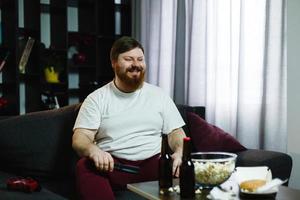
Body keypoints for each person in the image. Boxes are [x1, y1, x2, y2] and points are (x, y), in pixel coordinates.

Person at [72, 36, 186, 200]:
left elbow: (176, 132)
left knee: (185, 167)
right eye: (128, 59)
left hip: (153, 166)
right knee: (84, 166)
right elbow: (80, 138)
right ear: (114, 63)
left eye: (140, 59)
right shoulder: (96, 99)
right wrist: (93, 150)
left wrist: (180, 151)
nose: (136, 64)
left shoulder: (159, 95)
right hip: (111, 167)